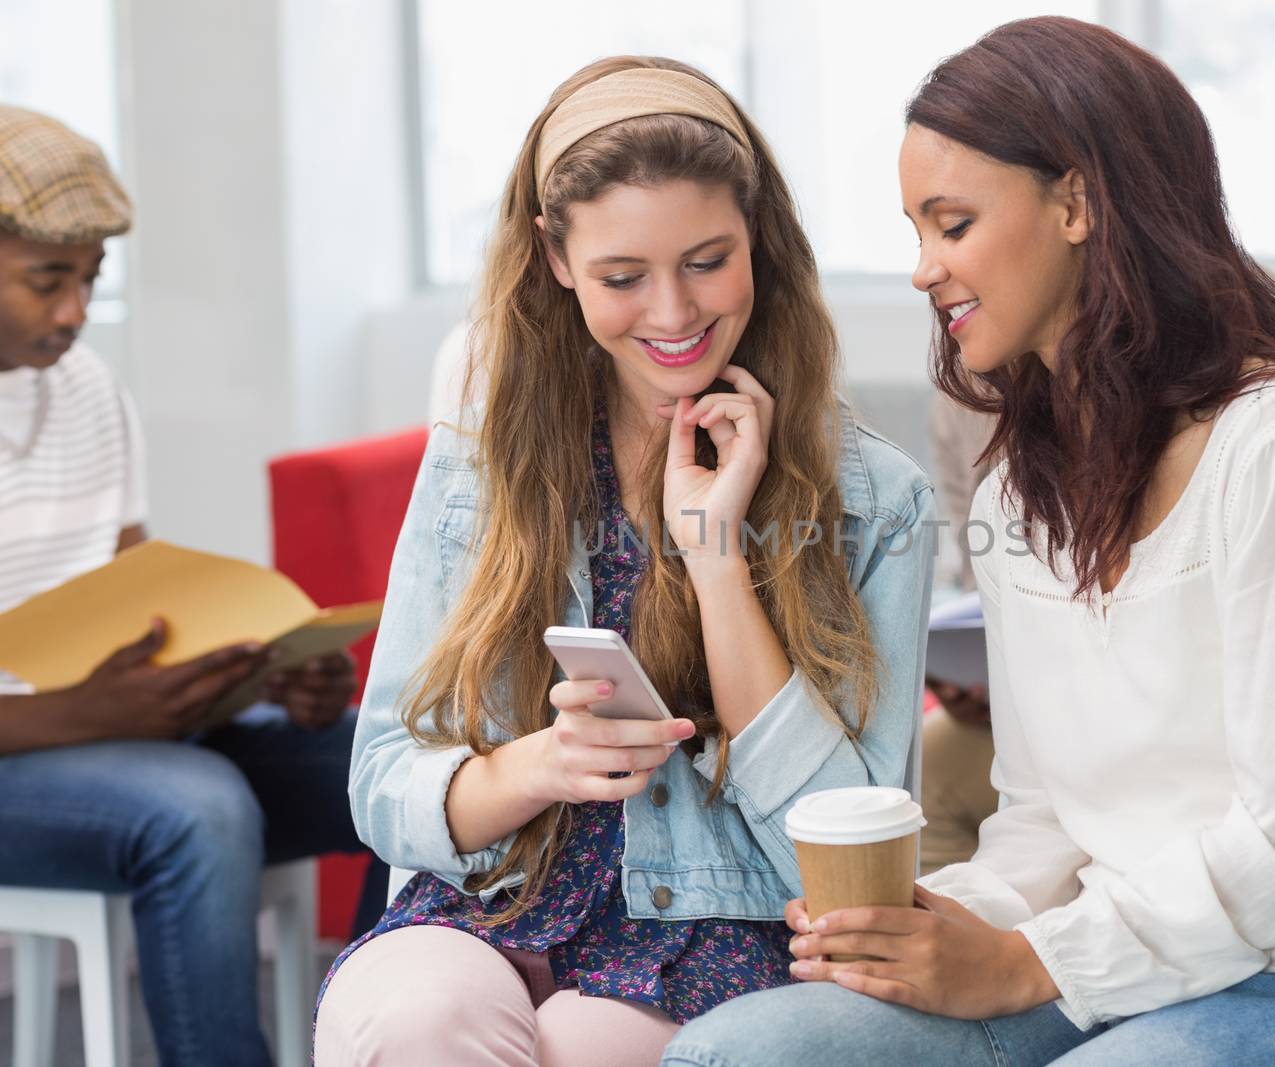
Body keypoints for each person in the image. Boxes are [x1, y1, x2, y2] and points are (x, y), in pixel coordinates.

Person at [663, 17, 1275, 1067]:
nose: (923, 268)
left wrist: (1026, 962)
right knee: (733, 1050)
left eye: (952, 222)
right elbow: (1045, 818)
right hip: (1120, 969)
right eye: (916, 229)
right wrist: (933, 923)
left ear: (1077, 203)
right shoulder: (1021, 486)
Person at [313, 56, 934, 1066]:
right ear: (558, 259)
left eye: (706, 259)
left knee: (582, 1045)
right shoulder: (478, 463)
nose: (673, 312)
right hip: (486, 907)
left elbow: (836, 863)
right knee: (416, 1021)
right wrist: (537, 766)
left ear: (758, 243)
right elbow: (383, 783)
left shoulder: (875, 500)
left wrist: (716, 553)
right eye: (621, 276)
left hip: (713, 935)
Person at [0, 104, 380, 1066]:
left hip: (113, 734)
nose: (75, 312)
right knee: (195, 807)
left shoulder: (86, 389)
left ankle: (382, 1040)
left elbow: (134, 597)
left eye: (89, 280)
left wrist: (261, 673)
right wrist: (87, 714)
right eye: (48, 280)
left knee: (394, 767)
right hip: (42, 748)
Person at [918, 392, 999, 875]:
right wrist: (953, 668)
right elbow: (981, 581)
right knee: (925, 764)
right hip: (1012, 704)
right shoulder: (958, 400)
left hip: (1107, 694)